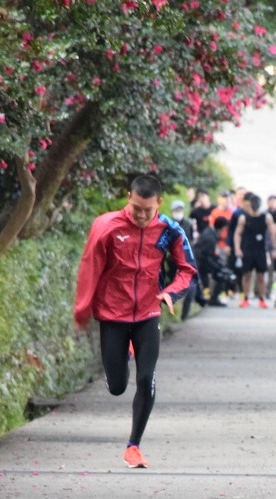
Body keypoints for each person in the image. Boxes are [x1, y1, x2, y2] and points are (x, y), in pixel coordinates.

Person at [73, 173, 197, 469]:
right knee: (117, 386)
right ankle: (117, 361)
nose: (141, 216)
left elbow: (188, 269)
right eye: (136, 208)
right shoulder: (107, 226)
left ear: (159, 203)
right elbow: (90, 267)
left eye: (148, 210)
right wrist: (83, 309)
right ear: (128, 198)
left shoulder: (169, 230)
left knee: (146, 378)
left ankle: (133, 446)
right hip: (112, 313)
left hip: (148, 313)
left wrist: (169, 293)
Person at [233, 193, 274, 308]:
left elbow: (272, 233)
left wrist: (273, 248)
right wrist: (237, 249)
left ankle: (262, 298)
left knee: (261, 276)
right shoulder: (244, 218)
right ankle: (245, 298)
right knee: (246, 275)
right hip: (247, 249)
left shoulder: (266, 217)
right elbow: (237, 234)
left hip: (260, 250)